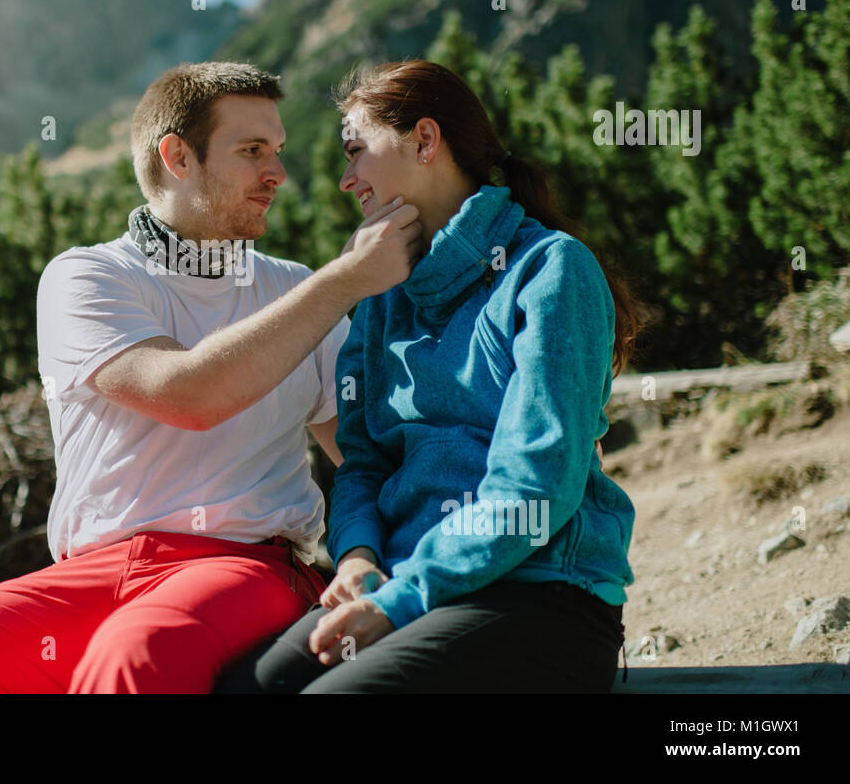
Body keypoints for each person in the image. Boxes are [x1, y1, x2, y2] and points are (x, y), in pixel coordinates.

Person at [0, 61, 423, 693]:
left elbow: (362, 458)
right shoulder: (86, 277)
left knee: (134, 654)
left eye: (277, 151)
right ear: (177, 156)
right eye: (252, 151)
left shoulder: (297, 287)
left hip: (249, 566)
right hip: (92, 573)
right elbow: (189, 393)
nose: (277, 173)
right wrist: (347, 279)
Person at [217, 59, 640, 694]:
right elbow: (362, 463)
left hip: (543, 597)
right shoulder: (382, 299)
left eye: (356, 151)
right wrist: (359, 555)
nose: (345, 178)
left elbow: (537, 487)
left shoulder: (551, 270)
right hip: (406, 588)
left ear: (425, 140)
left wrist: (398, 601)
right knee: (244, 688)